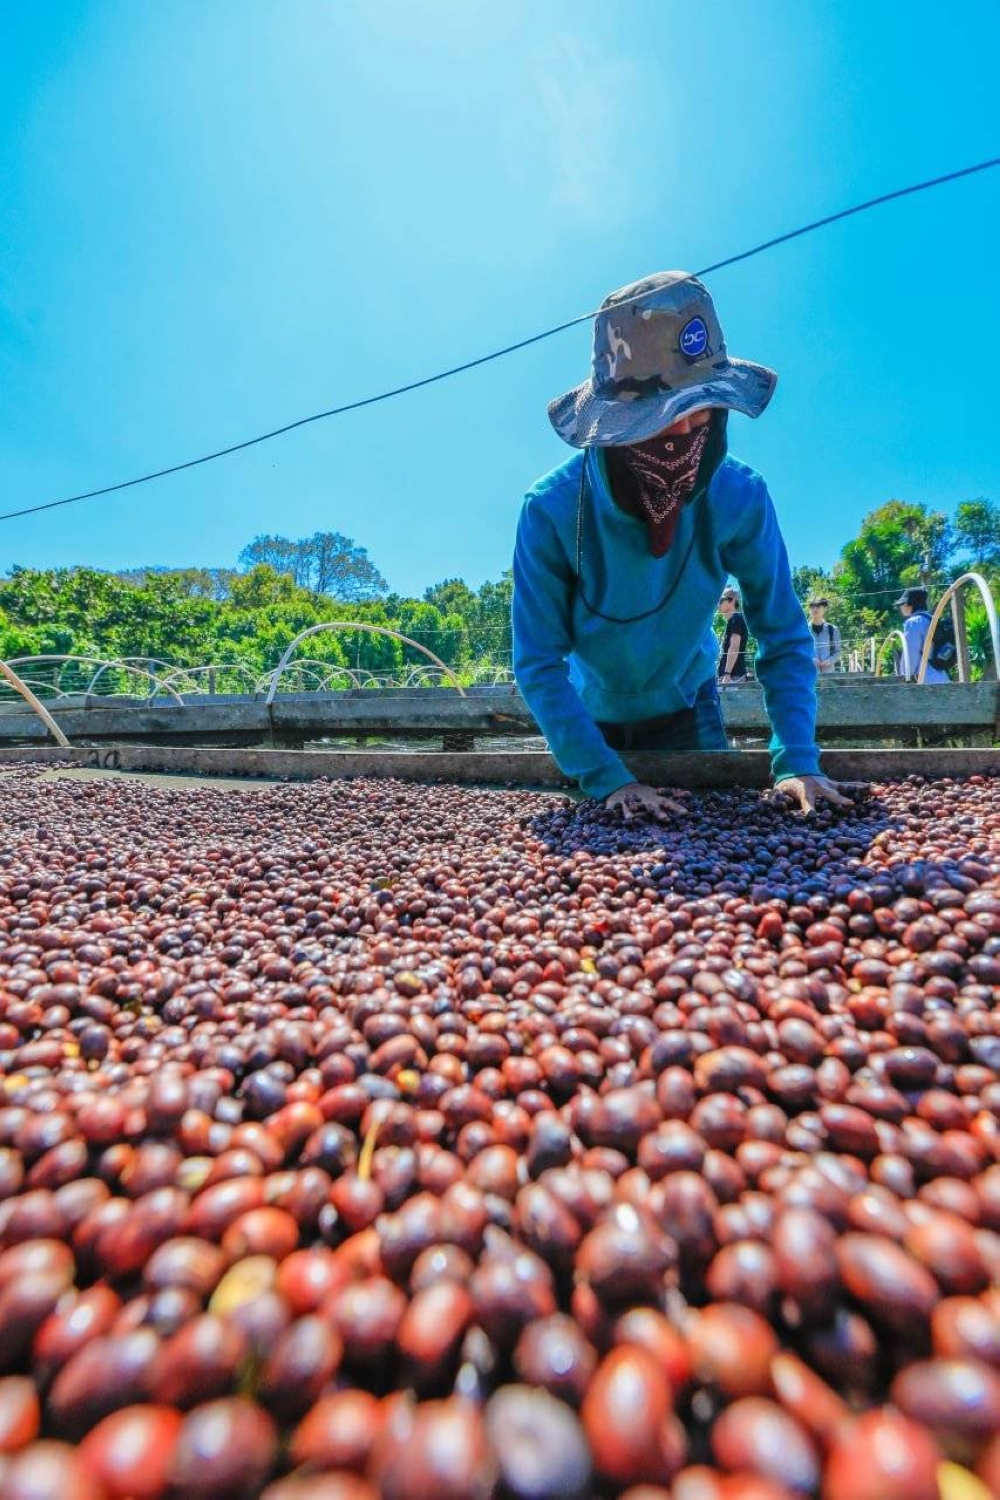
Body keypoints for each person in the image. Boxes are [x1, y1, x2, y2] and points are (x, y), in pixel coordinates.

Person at [512, 269, 850, 819]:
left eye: (701, 419)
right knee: (608, 837)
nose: (687, 436)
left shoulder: (739, 496)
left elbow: (783, 635)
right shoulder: (551, 511)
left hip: (689, 708)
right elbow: (537, 662)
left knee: (713, 832)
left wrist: (797, 761)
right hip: (587, 719)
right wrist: (606, 778)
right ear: (614, 430)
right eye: (661, 427)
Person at [894, 587, 949, 682]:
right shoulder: (931, 619)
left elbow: (911, 654)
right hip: (941, 675)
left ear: (909, 604)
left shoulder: (913, 622)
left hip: (925, 677)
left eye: (902, 604)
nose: (901, 607)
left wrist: (904, 677)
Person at [717, 588, 749, 682]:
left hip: (732, 677)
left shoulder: (736, 619)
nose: (718, 603)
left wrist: (727, 674)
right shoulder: (732, 621)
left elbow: (734, 647)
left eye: (721, 600)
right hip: (729, 677)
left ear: (732, 601)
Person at [808, 597, 842, 674]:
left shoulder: (833, 630)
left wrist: (829, 661)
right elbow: (799, 650)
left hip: (829, 674)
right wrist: (811, 659)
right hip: (808, 675)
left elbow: (838, 651)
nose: (815, 609)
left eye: (818, 606)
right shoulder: (803, 630)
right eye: (812, 607)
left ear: (825, 608)